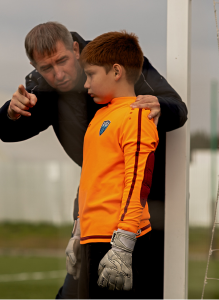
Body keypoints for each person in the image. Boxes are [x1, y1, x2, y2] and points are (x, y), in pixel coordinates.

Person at [0, 22, 188, 299]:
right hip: (95, 207)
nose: (58, 74)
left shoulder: (112, 58)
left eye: (62, 61)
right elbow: (8, 132)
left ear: (76, 49)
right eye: (46, 68)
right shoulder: (41, 88)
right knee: (74, 293)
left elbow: (177, 108)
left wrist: (160, 105)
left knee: (146, 288)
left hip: (145, 204)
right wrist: (10, 112)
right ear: (34, 66)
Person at [74, 30, 159, 299]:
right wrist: (78, 230)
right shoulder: (100, 115)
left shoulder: (135, 115)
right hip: (93, 238)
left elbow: (138, 184)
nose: (86, 84)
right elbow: (91, 179)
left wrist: (123, 245)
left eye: (90, 75)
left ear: (116, 71)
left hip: (120, 242)